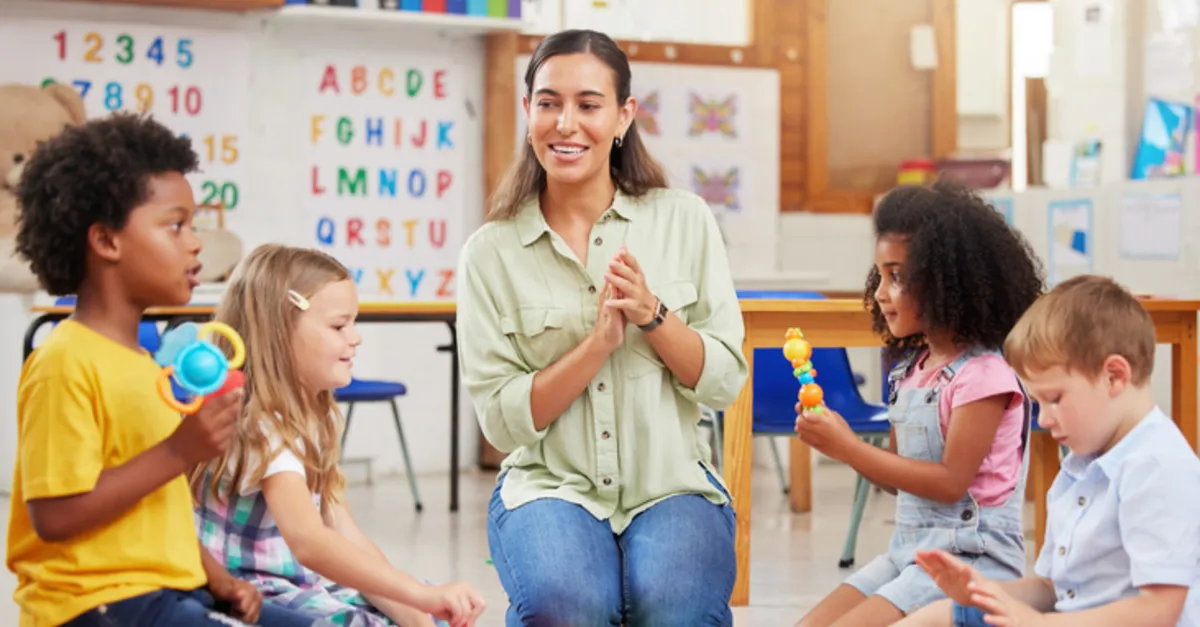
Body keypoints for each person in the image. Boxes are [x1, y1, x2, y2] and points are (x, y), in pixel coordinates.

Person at [457, 28, 748, 627]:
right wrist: (595, 347)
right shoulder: (489, 253)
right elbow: (503, 423)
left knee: (674, 612)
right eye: (548, 103)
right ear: (528, 112)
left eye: (588, 105)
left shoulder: (685, 220)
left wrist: (653, 316)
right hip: (549, 487)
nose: (566, 124)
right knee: (568, 608)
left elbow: (723, 382)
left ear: (623, 116)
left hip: (671, 485)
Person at [4, 112, 315, 626]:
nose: (195, 242)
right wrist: (179, 451)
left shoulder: (145, 367)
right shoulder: (64, 362)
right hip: (95, 607)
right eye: (176, 225)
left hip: (165, 592)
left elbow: (152, 507)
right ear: (106, 241)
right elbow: (54, 516)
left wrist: (218, 577)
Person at [189, 244, 487, 627]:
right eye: (338, 326)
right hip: (252, 595)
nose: (355, 337)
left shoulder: (311, 415)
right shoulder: (263, 425)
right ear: (280, 332)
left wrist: (418, 614)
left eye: (353, 323)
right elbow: (308, 541)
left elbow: (345, 534)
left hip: (299, 585)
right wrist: (419, 596)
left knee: (432, 615)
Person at [793, 180, 1046, 627]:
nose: (880, 293)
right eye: (879, 276)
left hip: (970, 562)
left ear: (948, 282)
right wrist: (841, 443)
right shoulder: (910, 371)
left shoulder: (984, 375)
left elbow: (950, 483)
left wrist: (848, 447)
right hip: (908, 554)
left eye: (897, 277)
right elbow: (900, 478)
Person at [899, 275, 1200, 627]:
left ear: (1114, 376)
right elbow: (1053, 589)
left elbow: (1158, 611)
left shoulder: (1158, 467)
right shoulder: (1081, 464)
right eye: (1038, 402)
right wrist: (983, 591)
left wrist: (1041, 624)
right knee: (938, 616)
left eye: (1054, 399)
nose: (1043, 419)